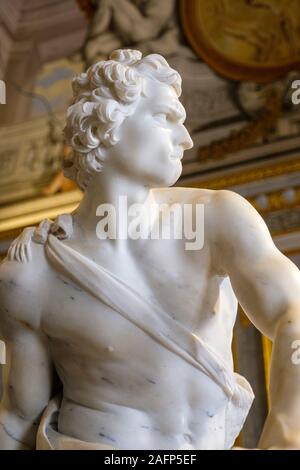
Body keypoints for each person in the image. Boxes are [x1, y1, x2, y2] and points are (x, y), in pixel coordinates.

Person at [0, 49, 299, 450]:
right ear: (107, 124)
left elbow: (292, 314)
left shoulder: (218, 219)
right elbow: (19, 416)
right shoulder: (32, 273)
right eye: (166, 117)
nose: (186, 138)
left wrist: (285, 431)